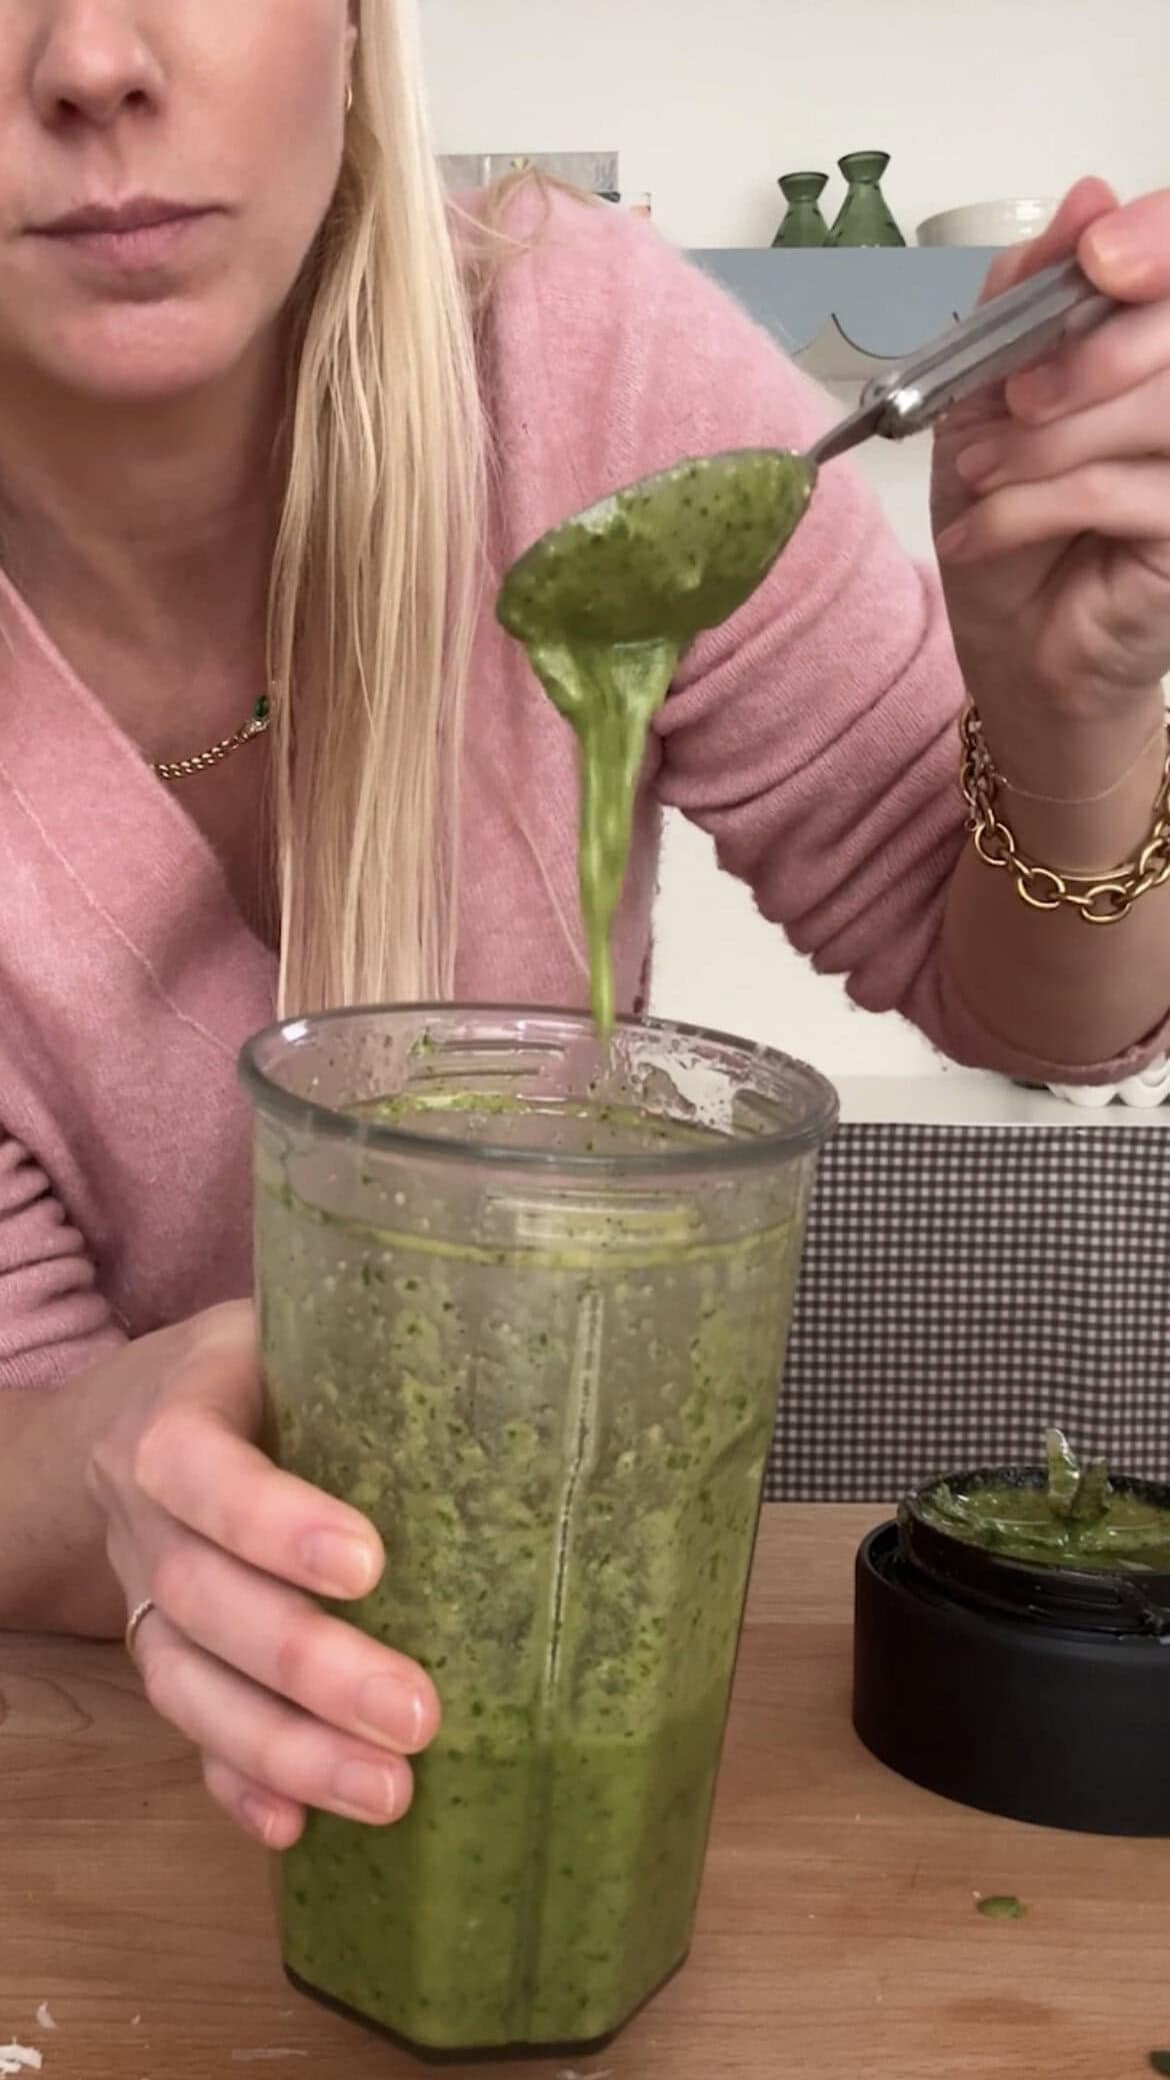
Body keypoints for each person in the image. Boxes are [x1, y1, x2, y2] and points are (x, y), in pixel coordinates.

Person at [1, 0, 1168, 1855]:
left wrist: (1071, 721)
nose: (90, 63)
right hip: (108, 1785)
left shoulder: (573, 365)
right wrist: (109, 1467)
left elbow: (1045, 1020)